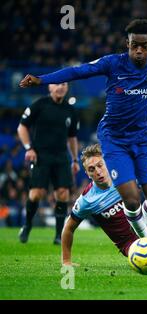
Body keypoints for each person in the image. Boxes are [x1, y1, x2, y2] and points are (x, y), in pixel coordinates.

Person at [19, 6, 147, 241]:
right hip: (114, 139)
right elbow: (77, 71)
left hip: (143, 139)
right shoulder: (113, 63)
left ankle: (141, 235)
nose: (139, 51)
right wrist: (42, 80)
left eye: (144, 46)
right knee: (131, 199)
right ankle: (145, 242)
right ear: (127, 44)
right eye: (135, 46)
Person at [62, 144, 147, 268]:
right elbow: (68, 228)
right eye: (92, 169)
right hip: (131, 244)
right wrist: (66, 261)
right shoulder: (87, 200)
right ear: (87, 173)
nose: (98, 172)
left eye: (100, 165)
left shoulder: (124, 177)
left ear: (107, 163)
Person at [18, 83, 80, 244]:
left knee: (63, 194)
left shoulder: (70, 110)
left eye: (64, 84)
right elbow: (22, 127)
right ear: (50, 87)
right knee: (36, 194)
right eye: (57, 84)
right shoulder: (39, 105)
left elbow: (72, 138)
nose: (60, 87)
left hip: (61, 157)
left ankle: (59, 235)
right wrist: (28, 148)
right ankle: (27, 225)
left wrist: (74, 159)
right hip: (41, 155)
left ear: (67, 88)